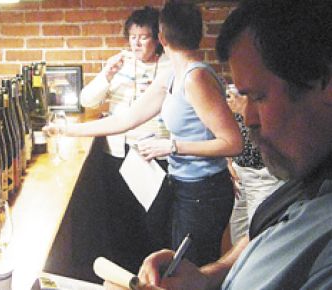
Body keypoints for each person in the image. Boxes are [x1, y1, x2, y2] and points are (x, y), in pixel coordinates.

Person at [129, 0, 332, 289]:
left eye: (259, 97)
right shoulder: (307, 176)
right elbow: (263, 235)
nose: (247, 118)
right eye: (244, 97)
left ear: (325, 82)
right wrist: (205, 276)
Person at [48, 1, 242, 267]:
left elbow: (233, 143)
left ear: (161, 38)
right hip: (186, 186)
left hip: (204, 190)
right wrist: (67, 130)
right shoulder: (173, 75)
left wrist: (173, 147)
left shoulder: (195, 78)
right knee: (180, 267)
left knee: (191, 270)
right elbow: (125, 120)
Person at [74, 6, 173, 275]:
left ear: (158, 39)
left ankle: (152, 273)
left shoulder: (169, 66)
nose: (137, 43)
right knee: (120, 218)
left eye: (144, 37)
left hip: (154, 155)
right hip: (117, 154)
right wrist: (106, 74)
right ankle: (126, 275)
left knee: (152, 221)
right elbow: (86, 101)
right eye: (132, 37)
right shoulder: (120, 63)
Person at [225, 86, 285, 244]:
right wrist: (229, 160)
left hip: (262, 174)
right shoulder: (243, 92)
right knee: (238, 234)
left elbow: (275, 130)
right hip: (240, 171)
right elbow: (230, 130)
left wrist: (242, 109)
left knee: (260, 236)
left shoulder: (275, 90)